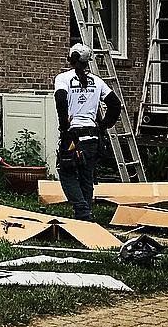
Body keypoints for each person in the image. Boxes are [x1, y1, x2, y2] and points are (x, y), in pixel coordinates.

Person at [53, 43, 123, 221]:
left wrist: (64, 126)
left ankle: (82, 210)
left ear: (70, 58)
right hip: (92, 137)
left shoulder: (63, 78)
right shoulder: (97, 81)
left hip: (73, 137)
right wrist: (103, 125)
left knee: (66, 172)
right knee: (86, 175)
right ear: (87, 62)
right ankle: (85, 215)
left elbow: (61, 100)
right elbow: (115, 104)